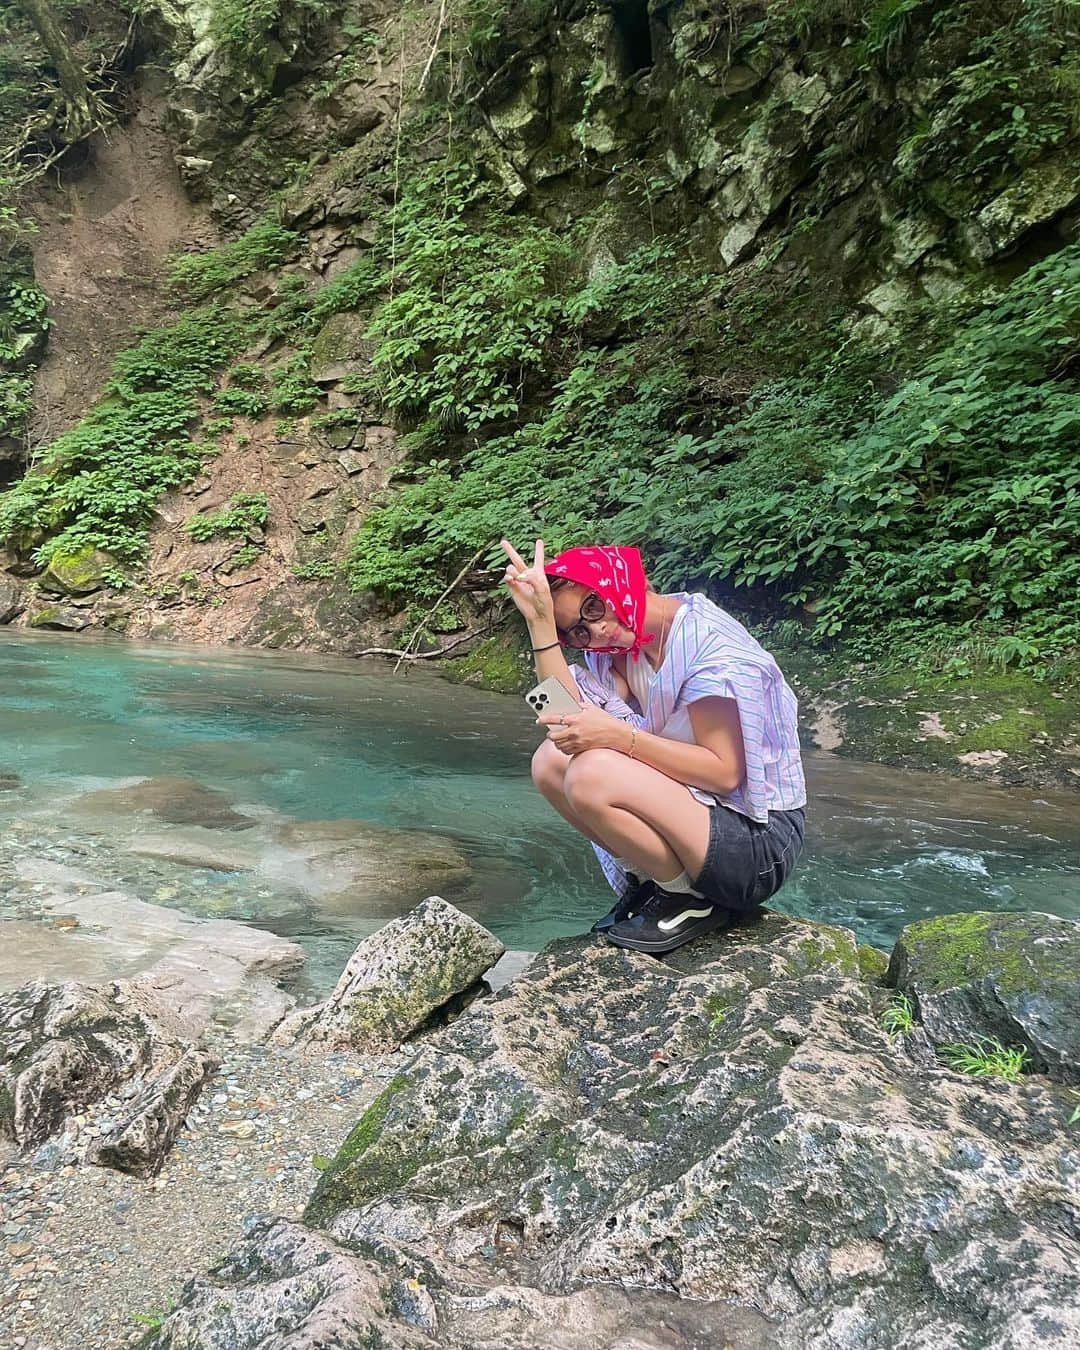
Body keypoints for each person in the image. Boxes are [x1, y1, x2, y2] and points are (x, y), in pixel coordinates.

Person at [499, 538, 807, 954]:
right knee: (549, 762)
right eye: (577, 632)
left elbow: (725, 772)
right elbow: (559, 715)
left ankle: (690, 900)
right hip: (699, 820)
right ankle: (653, 885)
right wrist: (538, 623)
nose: (596, 630)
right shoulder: (616, 653)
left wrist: (618, 736)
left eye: (594, 606)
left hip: (757, 842)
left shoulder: (709, 648)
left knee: (592, 773)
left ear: (617, 581)